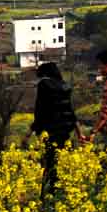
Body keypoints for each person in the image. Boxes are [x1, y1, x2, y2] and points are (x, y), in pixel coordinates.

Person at [24, 63, 80, 196]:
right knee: (61, 162)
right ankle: (62, 192)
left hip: (49, 131)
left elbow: (40, 111)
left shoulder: (44, 85)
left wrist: (30, 132)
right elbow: (70, 110)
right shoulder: (65, 86)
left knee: (49, 164)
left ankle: (48, 194)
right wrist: (79, 131)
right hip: (65, 131)